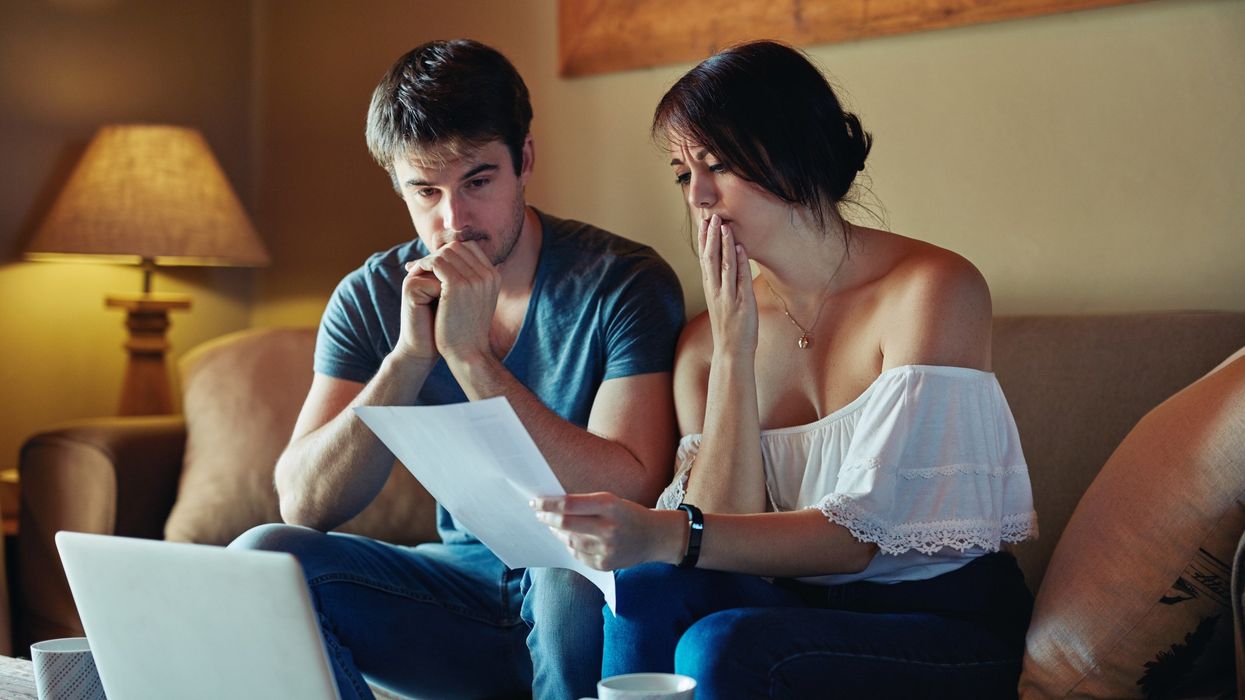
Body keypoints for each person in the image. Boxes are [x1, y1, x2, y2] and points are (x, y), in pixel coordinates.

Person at [533, 40, 1038, 699]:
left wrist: (654, 530)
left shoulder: (933, 289)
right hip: (793, 613)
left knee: (722, 645)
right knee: (646, 588)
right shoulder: (703, 344)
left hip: (942, 625)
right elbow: (712, 536)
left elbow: (857, 542)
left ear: (794, 149)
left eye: (718, 165)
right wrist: (734, 353)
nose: (700, 197)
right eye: (684, 174)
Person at [231, 39, 684, 700]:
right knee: (266, 555)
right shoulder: (371, 294)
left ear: (522, 160)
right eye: (426, 191)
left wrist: (471, 359)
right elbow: (304, 504)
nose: (454, 221)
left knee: (565, 562)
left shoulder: (623, 282)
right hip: (459, 585)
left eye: (478, 181)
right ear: (397, 184)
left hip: (581, 586)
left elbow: (630, 487)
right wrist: (409, 358)